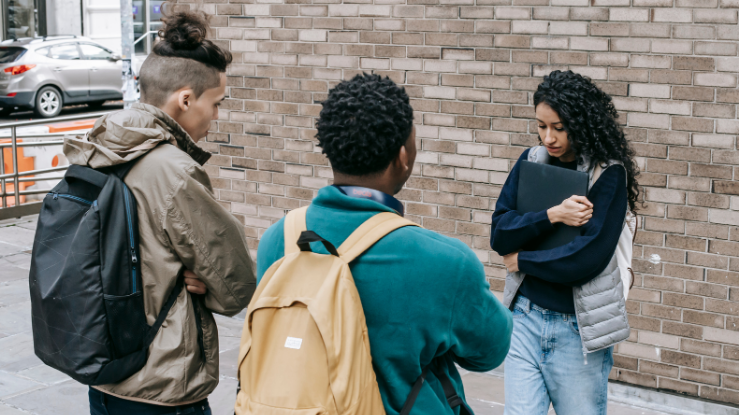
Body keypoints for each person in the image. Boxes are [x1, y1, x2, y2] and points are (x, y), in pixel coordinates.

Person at [255, 73, 513, 414]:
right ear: (403, 156)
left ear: (331, 149)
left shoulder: (279, 238)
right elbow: (489, 351)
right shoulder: (446, 262)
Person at [63, 10, 256, 415]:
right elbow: (237, 283)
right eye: (216, 104)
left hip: (103, 371)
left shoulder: (96, 146)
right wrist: (202, 277)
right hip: (160, 386)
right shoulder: (174, 171)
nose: (216, 117)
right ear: (185, 99)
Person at [490, 70, 640, 415]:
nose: (548, 138)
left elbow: (586, 258)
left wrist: (522, 261)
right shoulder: (531, 162)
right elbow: (501, 233)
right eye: (541, 126)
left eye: (558, 127)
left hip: (578, 329)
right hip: (524, 319)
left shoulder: (608, 174)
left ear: (582, 123)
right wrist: (552, 215)